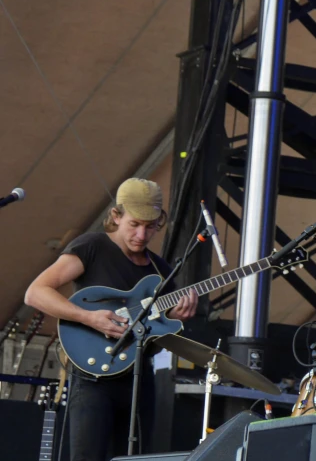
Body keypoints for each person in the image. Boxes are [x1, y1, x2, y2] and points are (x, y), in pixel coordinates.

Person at [25, 178, 197, 461]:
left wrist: (175, 317)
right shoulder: (92, 246)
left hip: (139, 381)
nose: (142, 234)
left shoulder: (160, 269)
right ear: (116, 216)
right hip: (93, 378)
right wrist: (88, 318)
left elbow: (157, 337)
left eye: (150, 226)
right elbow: (35, 293)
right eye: (134, 224)